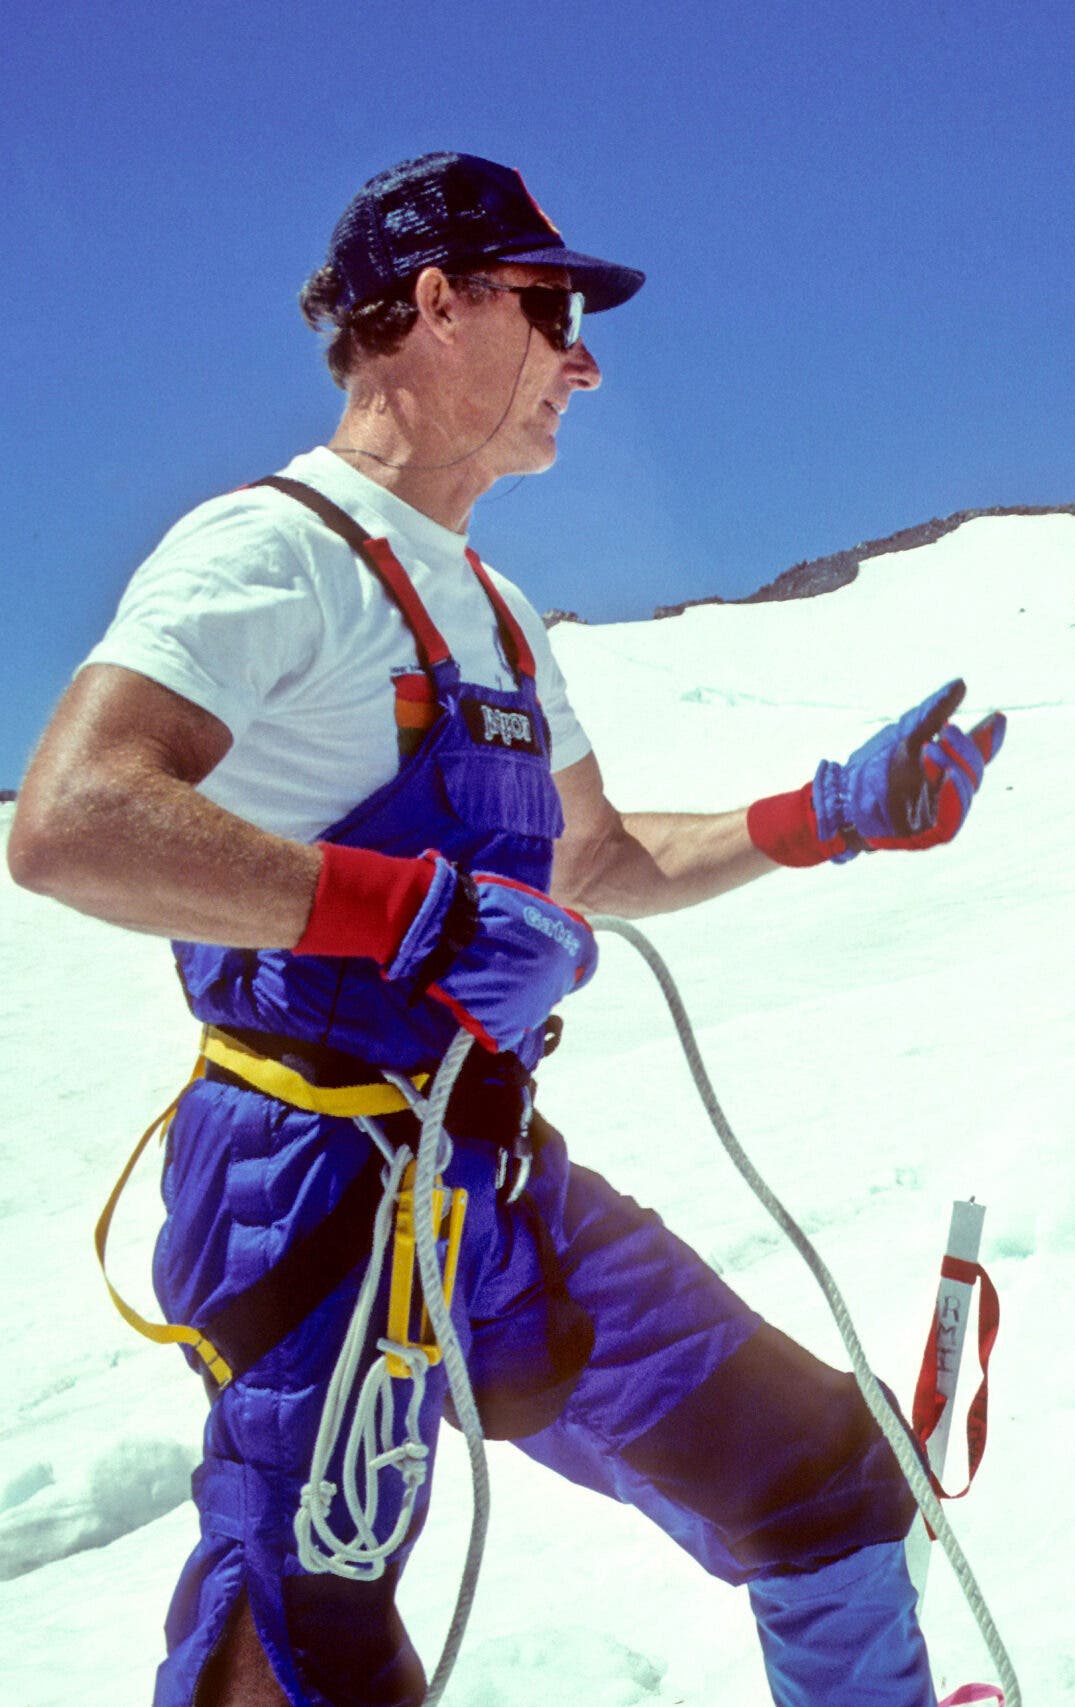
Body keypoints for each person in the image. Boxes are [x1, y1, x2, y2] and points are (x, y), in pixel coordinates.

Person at [4, 154, 1002, 1707]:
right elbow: (73, 817)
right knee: (307, 1643)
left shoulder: (500, 616)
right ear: (435, 304)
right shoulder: (270, 551)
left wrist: (826, 812)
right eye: (554, 311)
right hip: (312, 1181)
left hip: (486, 1176)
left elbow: (596, 855)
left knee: (823, 1473)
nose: (583, 363)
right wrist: (411, 912)